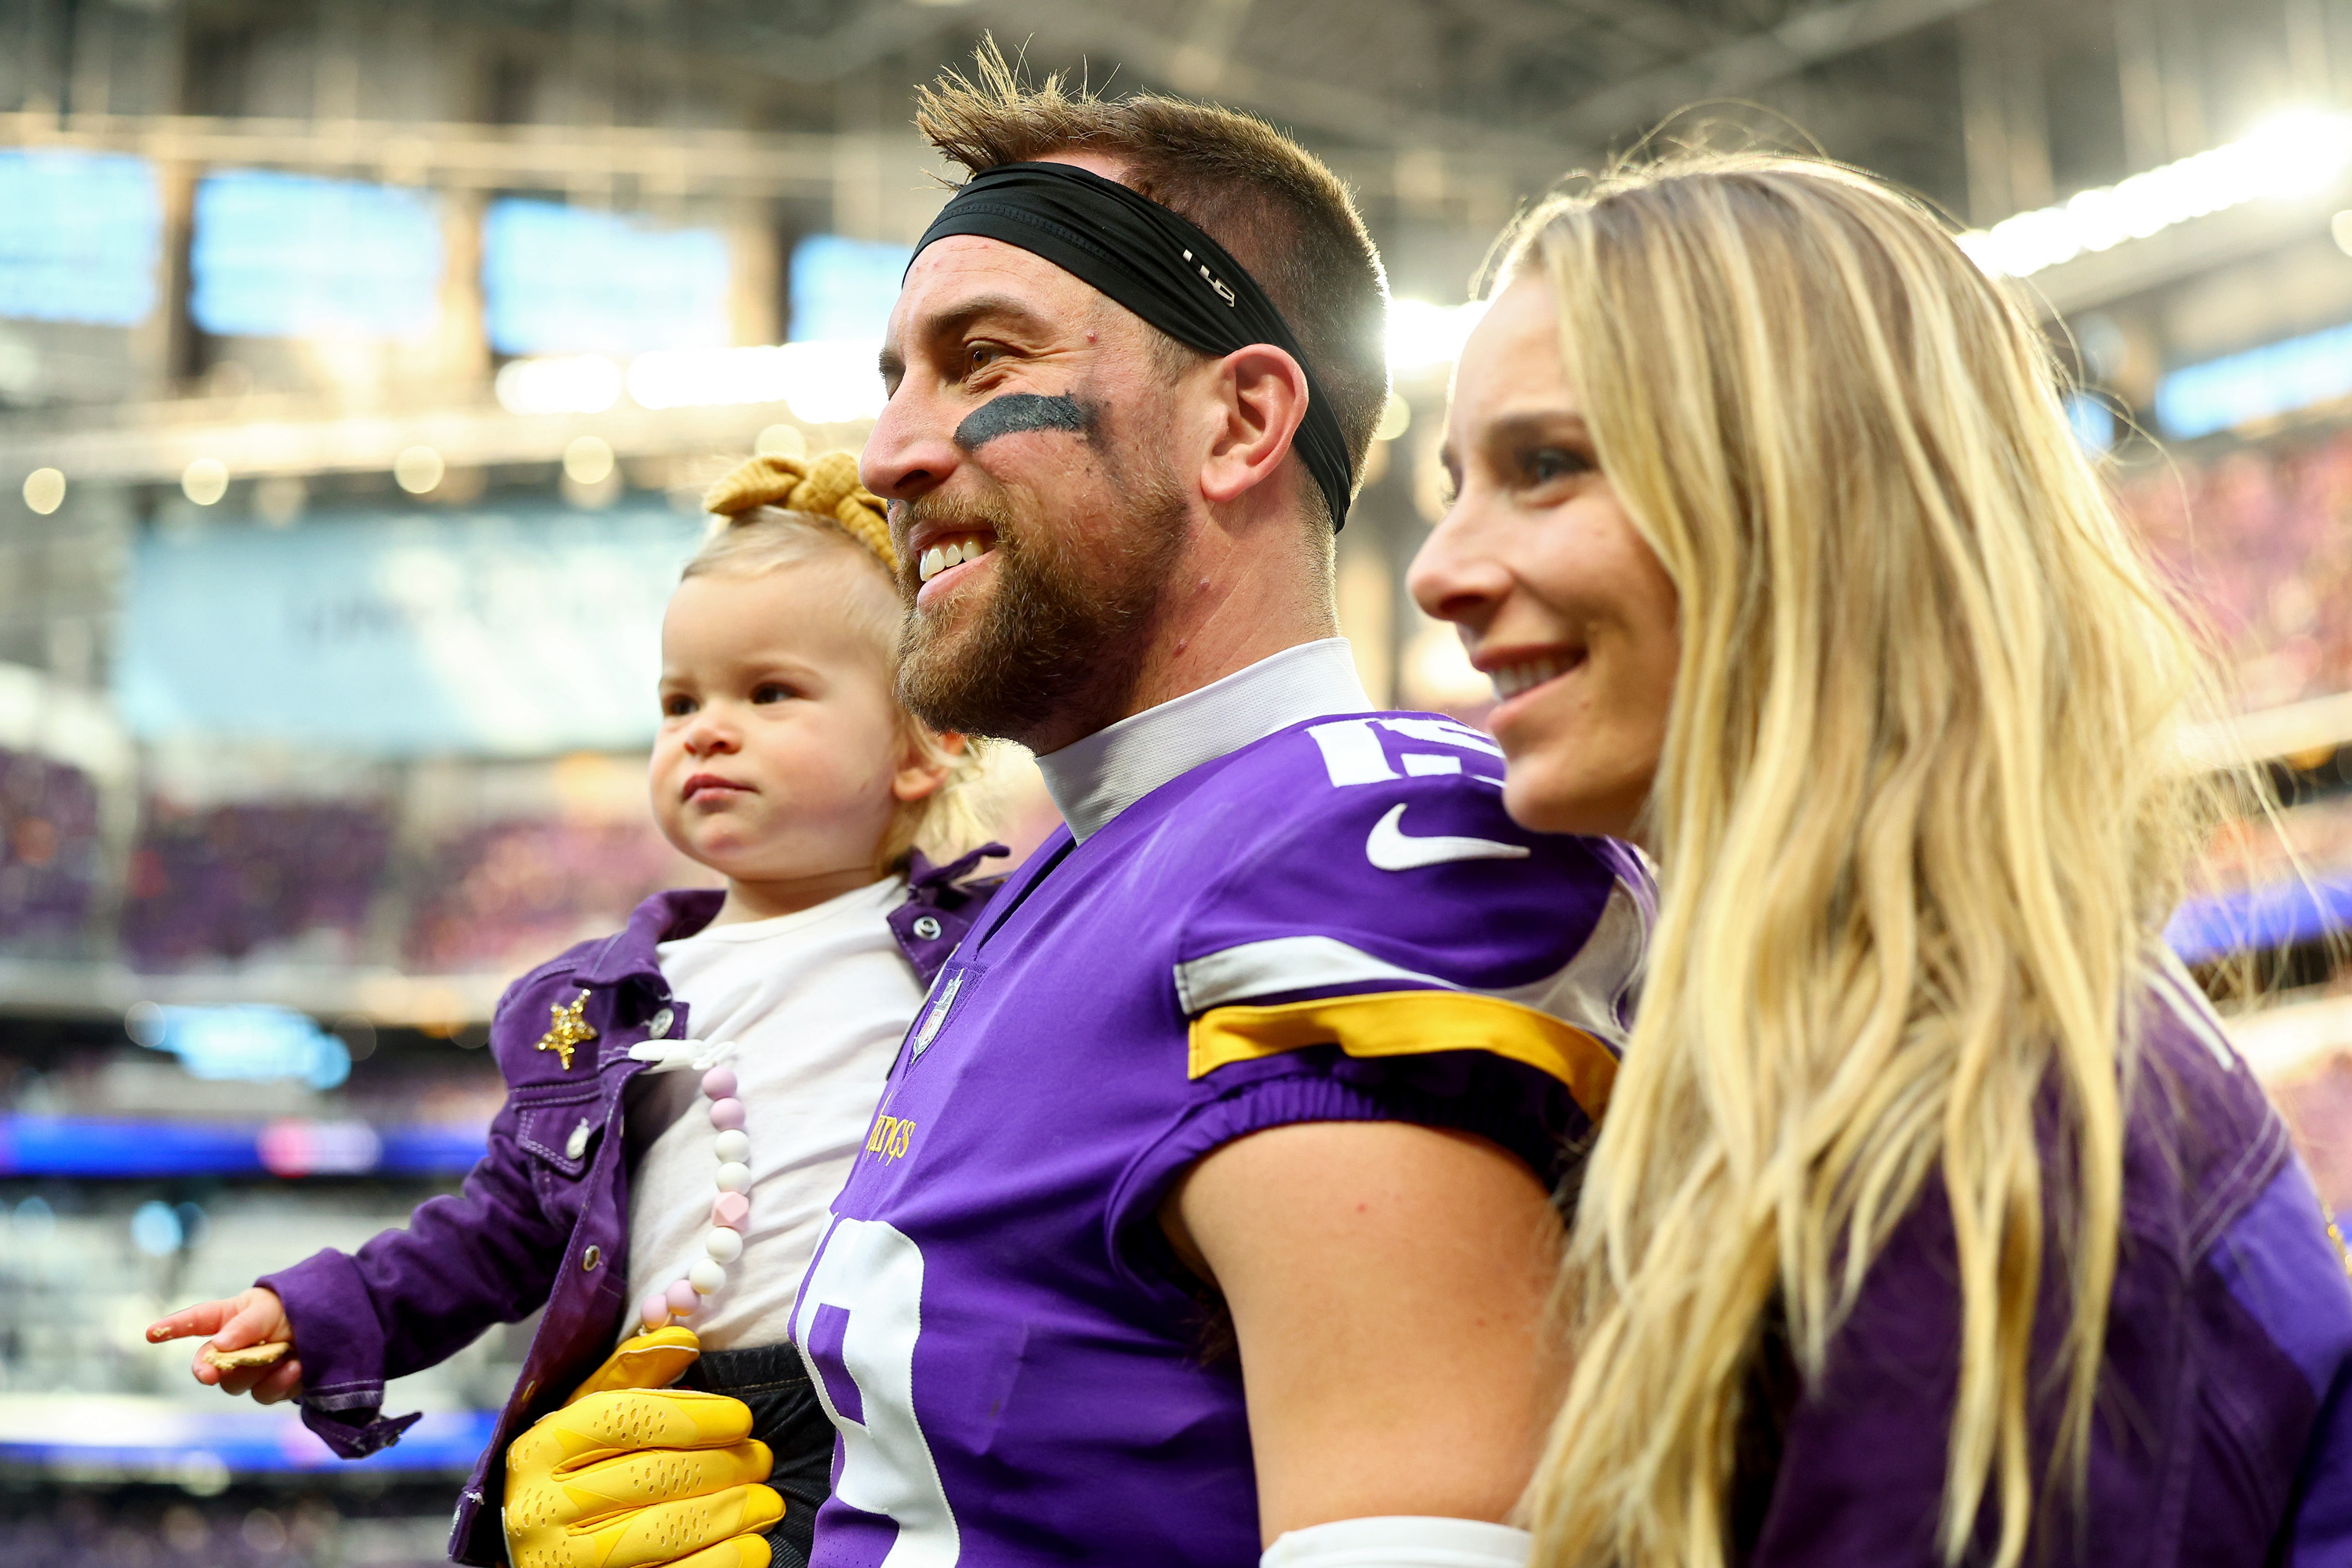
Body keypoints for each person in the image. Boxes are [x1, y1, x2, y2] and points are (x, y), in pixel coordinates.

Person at [770, 50, 1652, 1568]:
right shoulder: (1082, 873)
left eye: (984, 360)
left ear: (1239, 424)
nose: (892, 457)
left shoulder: (1353, 860)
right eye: (894, 381)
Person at [1408, 151, 2352, 1567]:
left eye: (1548, 467)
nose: (1439, 569)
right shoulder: (1861, 1066)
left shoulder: (1973, 1140)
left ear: (1804, 501)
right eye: (1457, 481)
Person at [146, 451, 1006, 1568]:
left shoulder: (995, 945)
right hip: (675, 1422)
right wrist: (325, 1313)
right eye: (678, 701)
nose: (706, 728)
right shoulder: (598, 1007)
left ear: (925, 744)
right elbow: (499, 1228)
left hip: (906, 1407)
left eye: (769, 692)